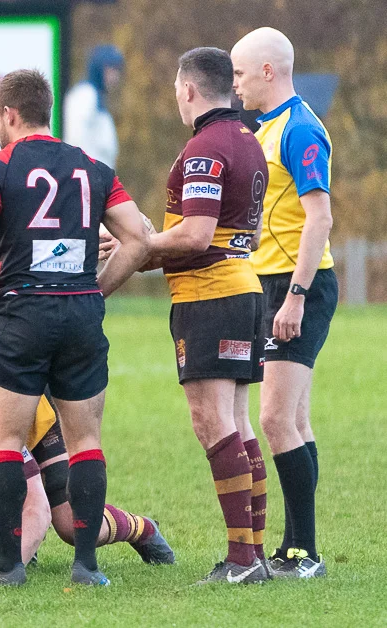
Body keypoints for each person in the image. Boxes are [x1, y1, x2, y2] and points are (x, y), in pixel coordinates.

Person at [0, 68, 151, 587]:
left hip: (23, 312)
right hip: (80, 313)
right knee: (85, 440)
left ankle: (8, 567)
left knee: (3, 440)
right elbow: (138, 238)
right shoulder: (93, 167)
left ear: (10, 114)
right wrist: (97, 289)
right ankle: (87, 567)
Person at [143, 47, 272, 584]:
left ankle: (241, 562)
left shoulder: (204, 148)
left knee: (213, 423)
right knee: (238, 424)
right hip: (244, 290)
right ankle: (254, 556)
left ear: (190, 89)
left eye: (177, 89)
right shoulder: (248, 141)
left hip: (209, 297)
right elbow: (239, 235)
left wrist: (143, 246)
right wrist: (147, 245)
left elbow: (196, 236)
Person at [232, 26, 335, 579]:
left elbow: (320, 218)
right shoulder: (266, 127)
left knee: (273, 417)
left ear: (268, 72)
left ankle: (305, 553)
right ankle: (296, 547)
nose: (236, 84)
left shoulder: (299, 128)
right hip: (274, 283)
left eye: (241, 73)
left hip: (300, 287)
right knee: (294, 419)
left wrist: (294, 296)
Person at [0, 378, 174, 567]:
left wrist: (8, 568)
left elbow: (37, 508)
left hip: (36, 420)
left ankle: (142, 528)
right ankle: (18, 544)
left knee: (70, 524)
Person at [63, 45, 123, 167]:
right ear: (99, 69)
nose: (115, 77)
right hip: (85, 173)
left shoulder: (97, 97)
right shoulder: (85, 94)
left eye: (117, 70)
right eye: (111, 70)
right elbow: (76, 138)